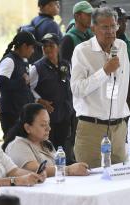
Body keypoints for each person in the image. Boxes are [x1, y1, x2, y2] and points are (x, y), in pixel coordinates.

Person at [70, 7, 130, 168]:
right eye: (105, 27)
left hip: (119, 128)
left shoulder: (122, 46)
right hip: (92, 128)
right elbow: (77, 89)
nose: (110, 31)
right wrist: (104, 71)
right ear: (93, 28)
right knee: (91, 182)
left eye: (113, 26)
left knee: (120, 183)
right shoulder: (82, 51)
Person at [3, 103, 89, 177]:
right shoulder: (17, 145)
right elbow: (36, 170)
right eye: (43, 125)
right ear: (27, 127)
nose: (49, 128)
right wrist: (68, 170)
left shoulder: (46, 143)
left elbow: (57, 168)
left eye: (48, 123)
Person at [29, 33, 76, 164]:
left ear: (58, 47)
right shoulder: (36, 68)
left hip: (65, 114)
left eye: (51, 45)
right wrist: (39, 100)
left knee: (65, 148)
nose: (47, 48)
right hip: (47, 118)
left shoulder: (66, 65)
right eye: (44, 46)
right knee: (49, 149)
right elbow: (28, 88)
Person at [0, 31, 39, 140]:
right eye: (32, 47)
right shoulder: (9, 60)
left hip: (20, 113)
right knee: (12, 146)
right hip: (11, 114)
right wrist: (21, 81)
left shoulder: (22, 61)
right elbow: (1, 83)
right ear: (24, 46)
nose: (33, 51)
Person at [114, 6, 130, 113]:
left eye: (125, 21)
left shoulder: (129, 43)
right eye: (120, 20)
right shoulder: (108, 41)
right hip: (115, 87)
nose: (124, 24)